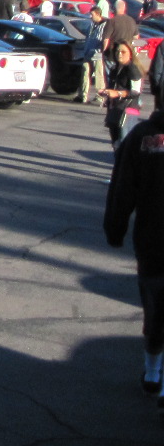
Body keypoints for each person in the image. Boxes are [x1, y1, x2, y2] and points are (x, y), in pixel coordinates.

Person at [104, 82, 164, 400]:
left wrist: (115, 229)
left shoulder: (142, 139)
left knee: (155, 312)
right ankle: (155, 374)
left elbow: (122, 189)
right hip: (154, 240)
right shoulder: (142, 139)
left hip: (153, 241)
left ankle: (153, 372)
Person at [104, 43, 144, 149]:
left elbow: (136, 92)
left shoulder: (132, 69)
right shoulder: (114, 69)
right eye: (117, 51)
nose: (119, 54)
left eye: (123, 51)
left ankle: (126, 164)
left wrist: (118, 93)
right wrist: (106, 92)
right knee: (115, 143)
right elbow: (113, 86)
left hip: (128, 111)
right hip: (114, 109)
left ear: (130, 54)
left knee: (125, 144)